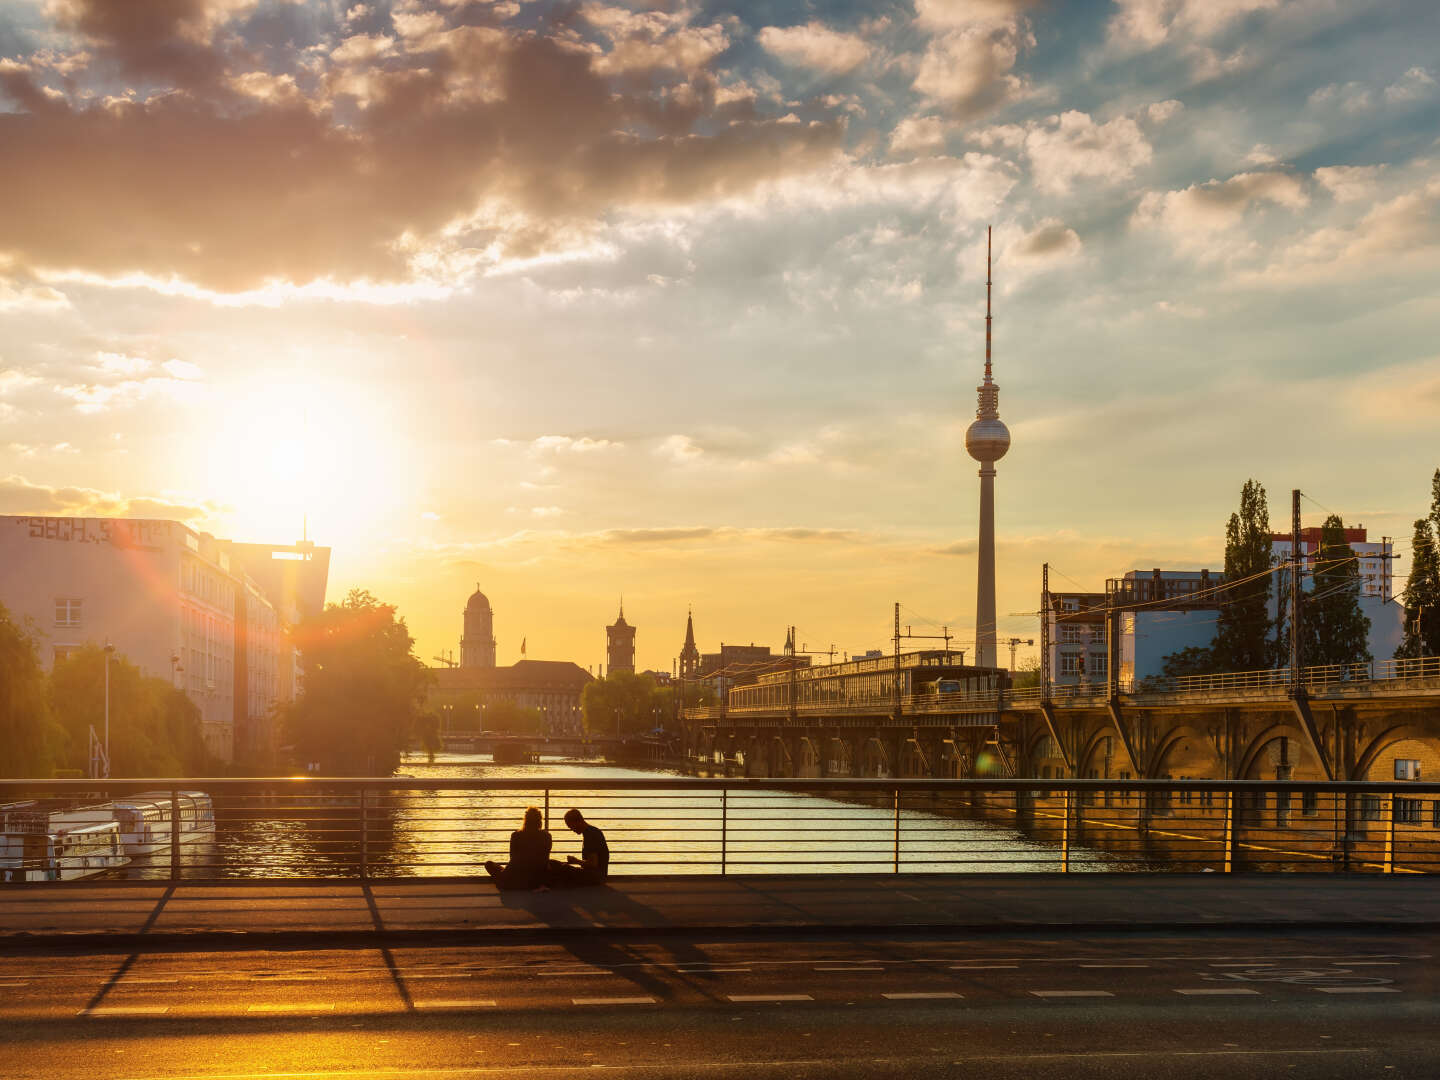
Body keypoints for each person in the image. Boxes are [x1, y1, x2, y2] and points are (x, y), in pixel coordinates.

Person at [484, 806, 552, 890]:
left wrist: (506, 873)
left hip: (516, 875)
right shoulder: (546, 836)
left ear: (525, 820)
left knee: (489, 864)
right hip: (536, 878)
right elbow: (545, 859)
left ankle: (506, 883)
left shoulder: (516, 835)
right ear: (539, 821)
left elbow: (513, 858)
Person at [545, 808, 609, 887]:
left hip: (594, 878)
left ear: (577, 821)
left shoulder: (591, 835)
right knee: (557, 865)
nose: (571, 829)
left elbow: (593, 864)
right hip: (598, 876)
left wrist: (576, 861)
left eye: (571, 826)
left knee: (554, 864)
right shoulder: (593, 831)